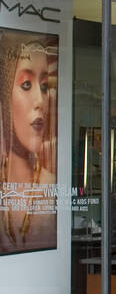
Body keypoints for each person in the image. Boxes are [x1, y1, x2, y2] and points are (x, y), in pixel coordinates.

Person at [0, 34, 58, 255]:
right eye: (26, 84)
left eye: (44, 87)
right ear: (6, 97)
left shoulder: (50, 183)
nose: (40, 101)